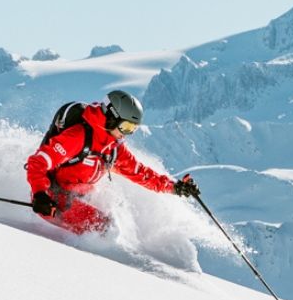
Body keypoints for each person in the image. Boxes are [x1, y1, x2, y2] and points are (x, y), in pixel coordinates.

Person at [26, 88, 199, 235]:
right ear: (111, 117)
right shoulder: (79, 137)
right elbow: (37, 162)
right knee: (104, 229)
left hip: (79, 197)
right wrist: (40, 194)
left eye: (133, 129)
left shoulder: (114, 149)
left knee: (113, 222)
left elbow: (141, 173)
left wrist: (174, 186)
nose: (126, 134)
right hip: (51, 200)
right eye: (125, 127)